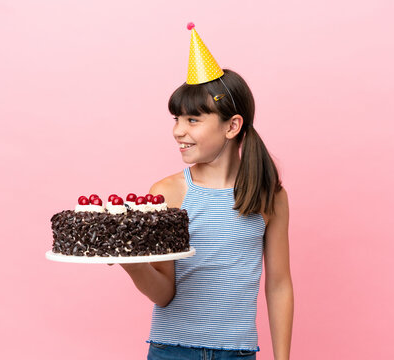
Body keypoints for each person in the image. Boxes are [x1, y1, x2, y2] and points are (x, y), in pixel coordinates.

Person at [118, 25, 293, 360]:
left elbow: (279, 284)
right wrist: (132, 264)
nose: (178, 131)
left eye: (193, 120)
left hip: (237, 354)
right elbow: (164, 293)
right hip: (172, 351)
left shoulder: (268, 197)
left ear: (232, 126)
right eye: (176, 119)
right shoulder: (167, 194)